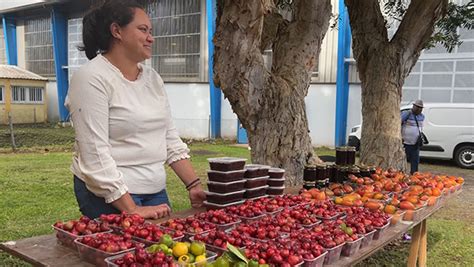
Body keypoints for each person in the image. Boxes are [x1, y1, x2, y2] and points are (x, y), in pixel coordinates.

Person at [65, 0, 205, 219]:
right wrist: (131, 209)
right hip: (107, 195)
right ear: (117, 31)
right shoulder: (91, 78)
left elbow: (169, 138)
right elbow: (94, 154)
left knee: (163, 249)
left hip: (155, 191)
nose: (151, 38)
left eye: (151, 31)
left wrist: (194, 185)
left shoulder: (153, 79)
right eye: (143, 30)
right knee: (128, 252)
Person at [401, 100, 425, 174]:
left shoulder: (422, 116)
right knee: (402, 159)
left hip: (415, 143)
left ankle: (414, 174)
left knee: (415, 160)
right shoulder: (407, 114)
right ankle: (401, 173)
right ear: (413, 106)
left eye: (420, 108)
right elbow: (399, 123)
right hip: (405, 142)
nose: (418, 109)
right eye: (417, 107)